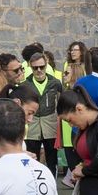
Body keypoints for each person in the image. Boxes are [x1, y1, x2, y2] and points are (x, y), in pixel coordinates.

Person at [25, 48, 63, 177]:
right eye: (35, 68)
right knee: (32, 159)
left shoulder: (55, 83)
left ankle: (51, 182)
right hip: (32, 126)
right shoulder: (25, 85)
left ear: (46, 65)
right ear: (30, 67)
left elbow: (61, 102)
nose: (39, 70)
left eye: (41, 67)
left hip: (50, 124)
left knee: (52, 160)